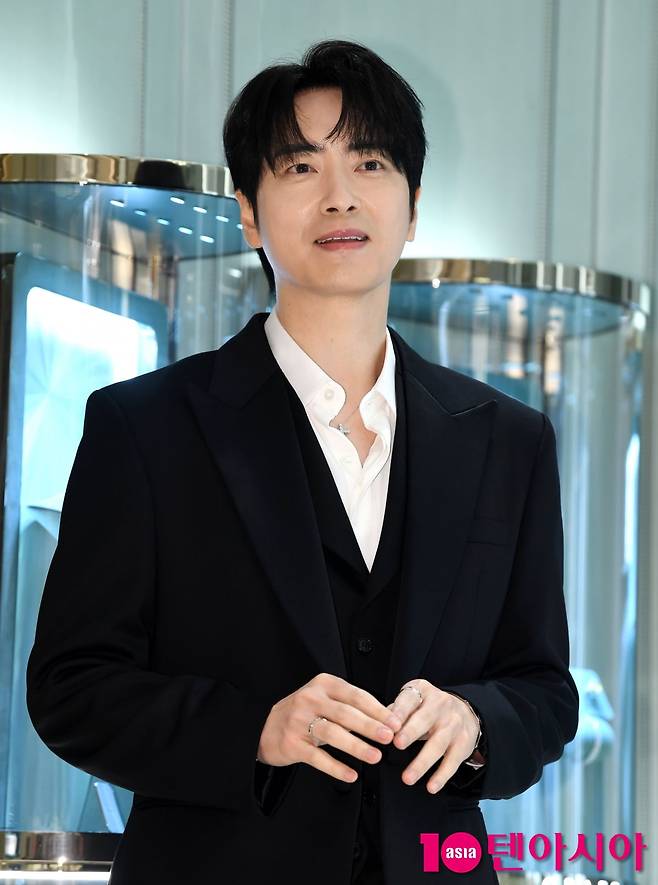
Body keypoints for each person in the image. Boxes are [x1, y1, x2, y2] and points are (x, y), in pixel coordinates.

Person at [25, 39, 579, 884]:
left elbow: (545, 689)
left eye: (370, 162)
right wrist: (255, 728)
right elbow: (72, 687)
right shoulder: (145, 427)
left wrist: (476, 720)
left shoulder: (508, 440)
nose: (340, 195)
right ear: (249, 213)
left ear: (413, 206)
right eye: (300, 166)